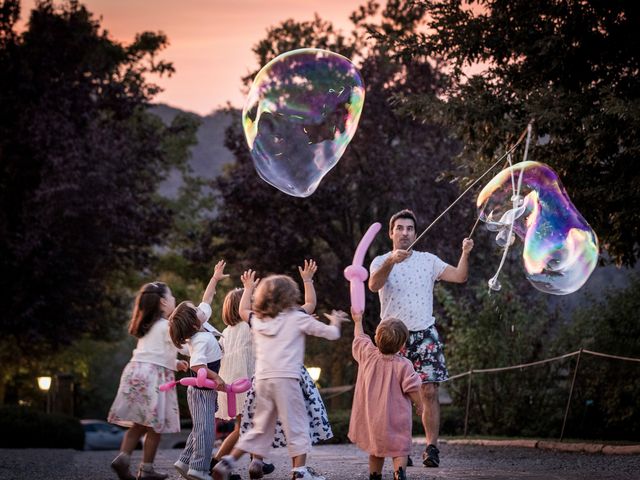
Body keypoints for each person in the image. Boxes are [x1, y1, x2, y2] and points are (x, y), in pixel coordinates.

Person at [212, 274, 348, 480]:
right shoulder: (297, 317)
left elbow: (241, 311)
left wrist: (248, 287)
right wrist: (336, 322)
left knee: (259, 428)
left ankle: (227, 462)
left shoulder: (258, 320)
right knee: (298, 426)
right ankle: (300, 472)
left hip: (261, 382)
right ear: (290, 296)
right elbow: (332, 334)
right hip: (287, 380)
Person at [368, 209, 473, 468]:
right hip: (392, 336)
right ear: (392, 233)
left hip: (425, 332)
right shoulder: (381, 260)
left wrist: (466, 252)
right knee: (395, 395)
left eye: (409, 229)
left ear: (415, 233)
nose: (405, 232)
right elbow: (373, 285)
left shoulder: (428, 260)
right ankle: (400, 446)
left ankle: (431, 448)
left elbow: (460, 276)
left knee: (429, 390)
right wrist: (391, 261)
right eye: (400, 228)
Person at [109, 281, 189, 480]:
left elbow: (158, 352)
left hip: (136, 371)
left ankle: (123, 457)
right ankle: (146, 469)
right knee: (155, 427)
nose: (174, 300)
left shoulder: (147, 327)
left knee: (138, 423)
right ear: (163, 302)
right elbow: (183, 347)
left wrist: (175, 363)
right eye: (171, 297)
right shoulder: (167, 325)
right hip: (155, 377)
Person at [170, 260, 229, 480]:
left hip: (204, 391)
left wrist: (214, 278)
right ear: (195, 324)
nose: (199, 308)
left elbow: (207, 299)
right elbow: (197, 365)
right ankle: (198, 469)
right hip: (201, 390)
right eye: (196, 310)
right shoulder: (201, 339)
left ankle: (184, 462)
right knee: (205, 431)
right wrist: (217, 377)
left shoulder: (201, 325)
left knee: (200, 428)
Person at [348, 308, 423, 480]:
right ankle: (399, 474)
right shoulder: (404, 365)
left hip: (373, 419)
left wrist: (358, 321)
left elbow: (359, 338)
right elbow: (413, 388)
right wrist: (420, 405)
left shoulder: (367, 355)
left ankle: (375, 475)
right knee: (401, 448)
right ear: (402, 344)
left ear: (376, 338)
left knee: (376, 449)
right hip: (397, 419)